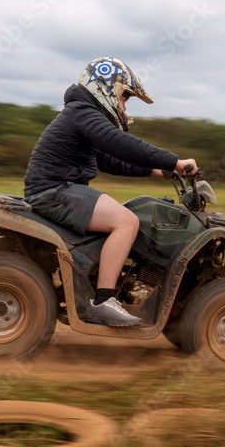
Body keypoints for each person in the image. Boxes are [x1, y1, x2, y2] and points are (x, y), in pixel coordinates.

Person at [23, 57, 197, 327]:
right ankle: (103, 301)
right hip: (55, 191)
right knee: (127, 221)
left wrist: (154, 171)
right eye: (125, 97)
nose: (124, 105)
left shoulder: (81, 114)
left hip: (60, 189)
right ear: (107, 87)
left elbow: (107, 160)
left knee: (125, 217)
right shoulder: (83, 112)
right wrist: (173, 161)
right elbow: (120, 144)